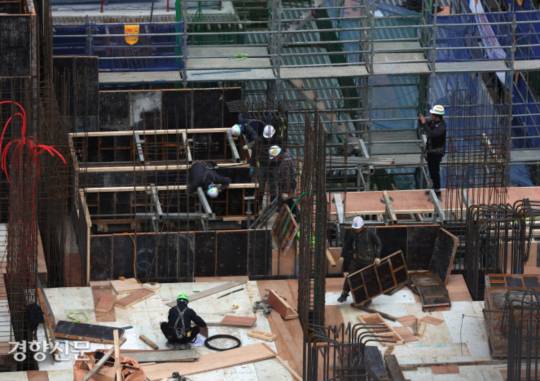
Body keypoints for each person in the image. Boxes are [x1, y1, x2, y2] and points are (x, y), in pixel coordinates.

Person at [338, 216, 382, 303]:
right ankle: (344, 294)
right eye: (355, 228)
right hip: (357, 261)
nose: (356, 230)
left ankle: (367, 298)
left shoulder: (370, 233)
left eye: (357, 228)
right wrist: (342, 256)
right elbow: (347, 245)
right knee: (350, 276)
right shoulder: (352, 233)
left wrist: (377, 256)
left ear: (362, 226)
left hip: (368, 261)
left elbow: (379, 244)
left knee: (366, 280)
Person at [418, 104, 446, 198]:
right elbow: (424, 123)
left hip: (437, 152)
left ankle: (437, 191)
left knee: (435, 172)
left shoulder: (442, 126)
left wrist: (424, 123)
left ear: (437, 116)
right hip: (431, 151)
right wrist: (422, 120)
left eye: (433, 115)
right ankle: (433, 189)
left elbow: (431, 134)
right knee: (431, 171)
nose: (431, 116)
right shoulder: (434, 122)